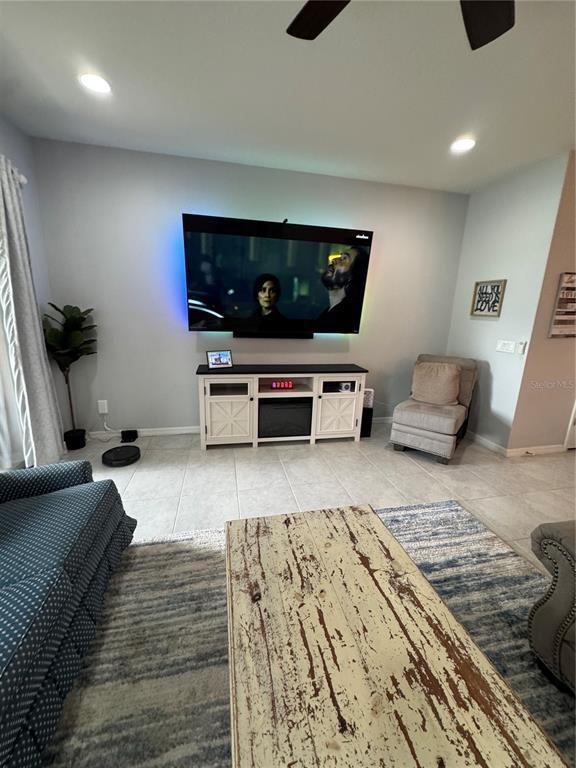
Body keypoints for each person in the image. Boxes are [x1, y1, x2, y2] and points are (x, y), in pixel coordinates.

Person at [316, 246, 369, 332]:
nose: (334, 260)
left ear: (352, 276)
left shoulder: (346, 318)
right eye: (340, 257)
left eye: (344, 258)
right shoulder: (327, 314)